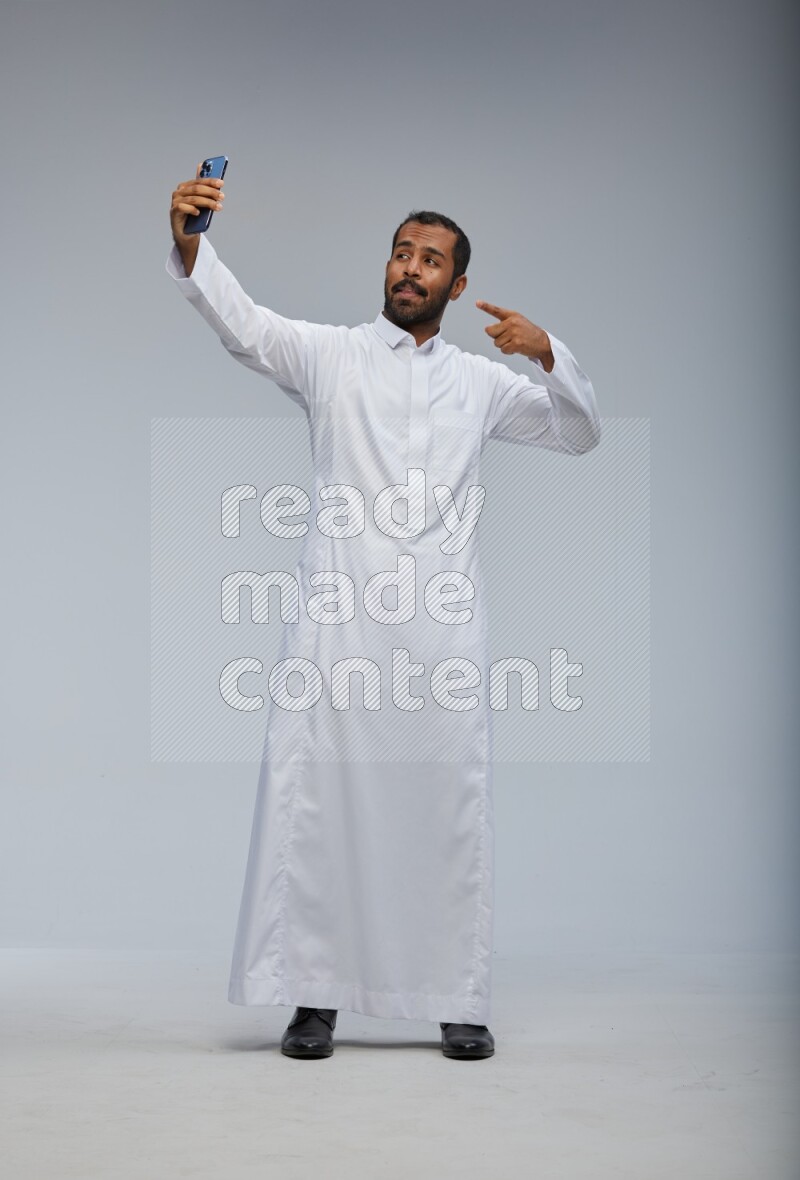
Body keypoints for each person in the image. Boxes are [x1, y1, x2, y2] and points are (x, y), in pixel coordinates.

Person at [166, 164, 601, 1061]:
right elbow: (244, 326)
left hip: (439, 635)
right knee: (321, 806)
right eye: (402, 253)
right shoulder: (332, 356)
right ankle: (314, 1000)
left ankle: (456, 999)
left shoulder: (481, 384)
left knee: (446, 809)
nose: (410, 269)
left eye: (431, 260)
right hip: (338, 630)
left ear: (459, 284)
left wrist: (549, 353)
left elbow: (578, 432)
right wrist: (190, 241)